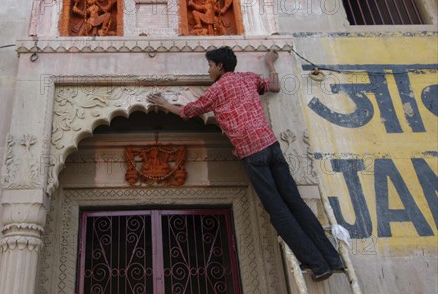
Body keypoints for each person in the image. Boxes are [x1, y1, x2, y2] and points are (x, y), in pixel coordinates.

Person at [147, 47, 344, 282]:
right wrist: (270, 63)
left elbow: (187, 112)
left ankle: (317, 264)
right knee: (295, 202)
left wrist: (164, 103)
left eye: (210, 65)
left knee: (278, 211)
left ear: (220, 66)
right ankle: (333, 260)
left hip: (253, 155)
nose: (209, 70)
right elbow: (274, 86)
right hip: (271, 147)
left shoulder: (217, 90)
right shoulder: (248, 78)